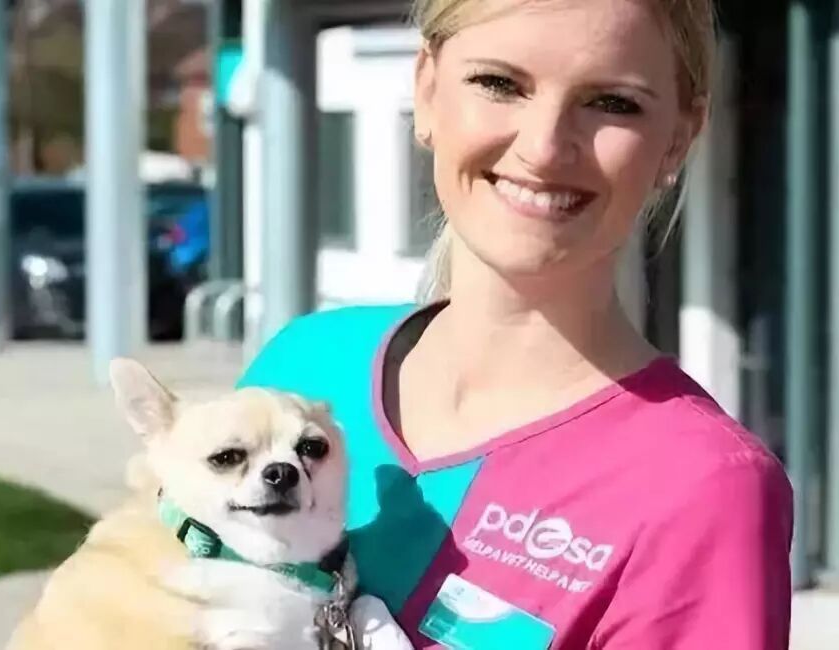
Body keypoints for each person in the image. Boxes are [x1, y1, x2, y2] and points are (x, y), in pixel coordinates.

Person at [239, 0, 793, 647]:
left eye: (612, 103)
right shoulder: (305, 365)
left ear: (678, 137)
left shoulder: (702, 489)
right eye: (500, 83)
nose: (544, 148)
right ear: (427, 89)